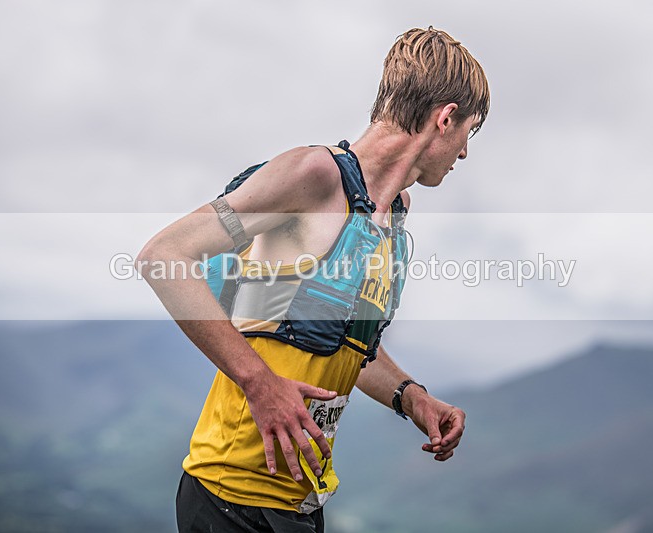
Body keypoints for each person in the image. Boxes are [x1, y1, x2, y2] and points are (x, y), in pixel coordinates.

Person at [137, 26, 489, 533]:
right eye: (468, 133)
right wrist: (260, 383)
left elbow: (338, 340)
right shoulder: (314, 176)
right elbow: (163, 257)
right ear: (445, 117)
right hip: (228, 496)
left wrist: (411, 396)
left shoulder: (390, 215)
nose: (463, 153)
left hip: (300, 502)